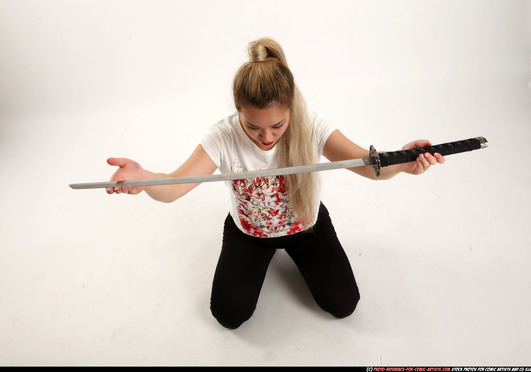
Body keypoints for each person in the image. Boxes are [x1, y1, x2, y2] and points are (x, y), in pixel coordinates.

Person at [106, 38, 445, 329]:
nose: (266, 137)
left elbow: (368, 165)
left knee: (344, 305)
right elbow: (175, 186)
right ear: (239, 110)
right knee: (228, 314)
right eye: (253, 127)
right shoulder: (222, 136)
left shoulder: (311, 125)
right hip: (249, 232)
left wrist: (401, 162)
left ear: (290, 109)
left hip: (307, 226)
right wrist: (144, 179)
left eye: (278, 125)